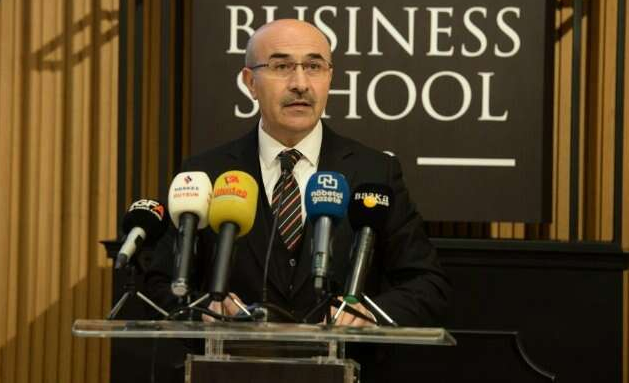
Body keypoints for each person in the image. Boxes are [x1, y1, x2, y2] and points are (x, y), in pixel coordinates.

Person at [144, 19, 450, 370]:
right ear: (250, 82)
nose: (300, 84)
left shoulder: (375, 171)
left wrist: (370, 315)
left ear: (330, 77)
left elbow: (428, 284)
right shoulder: (206, 173)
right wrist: (203, 311)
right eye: (282, 67)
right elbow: (161, 283)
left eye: (314, 67)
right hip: (233, 371)